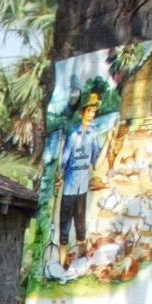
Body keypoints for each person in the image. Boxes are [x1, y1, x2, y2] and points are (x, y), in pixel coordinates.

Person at [56, 93, 106, 261]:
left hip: (82, 189)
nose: (91, 115)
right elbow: (63, 162)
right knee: (64, 227)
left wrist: (109, 143)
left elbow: (96, 164)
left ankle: (82, 259)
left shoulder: (92, 137)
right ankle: (62, 262)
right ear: (82, 113)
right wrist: (59, 178)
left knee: (81, 226)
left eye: (93, 112)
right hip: (69, 188)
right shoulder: (73, 136)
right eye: (89, 111)